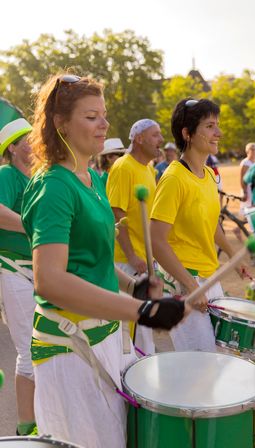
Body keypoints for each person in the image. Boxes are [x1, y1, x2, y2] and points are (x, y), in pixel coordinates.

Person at [21, 73, 186, 448]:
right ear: (60, 124)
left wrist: (133, 285)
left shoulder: (92, 178)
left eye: (104, 114)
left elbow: (90, 258)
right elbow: (50, 280)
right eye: (91, 116)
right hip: (70, 346)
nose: (105, 124)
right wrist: (139, 310)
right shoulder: (53, 186)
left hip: (104, 336)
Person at [150, 98, 244, 351]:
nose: (219, 133)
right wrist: (191, 285)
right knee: (201, 368)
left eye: (217, 125)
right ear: (187, 133)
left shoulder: (209, 176)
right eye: (210, 126)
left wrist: (236, 259)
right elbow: (156, 242)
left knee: (220, 359)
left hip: (209, 276)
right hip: (184, 281)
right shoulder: (173, 179)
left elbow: (211, 226)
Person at [107, 119, 164, 353]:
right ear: (139, 139)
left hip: (145, 259)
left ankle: (144, 376)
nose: (160, 140)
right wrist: (131, 255)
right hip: (126, 261)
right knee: (126, 332)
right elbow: (116, 212)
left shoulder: (149, 168)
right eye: (155, 135)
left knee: (144, 327)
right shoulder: (123, 167)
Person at [0, 118, 37, 436]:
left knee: (48, 345)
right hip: (12, 271)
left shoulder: (38, 179)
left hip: (39, 272)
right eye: (27, 139)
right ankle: (27, 426)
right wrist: (35, 226)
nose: (34, 142)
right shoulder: (7, 175)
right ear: (12, 148)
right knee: (29, 349)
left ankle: (43, 418)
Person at [240, 142, 255, 211]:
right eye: (252, 149)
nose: (254, 151)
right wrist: (245, 192)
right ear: (247, 151)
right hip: (248, 188)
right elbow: (242, 179)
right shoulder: (245, 162)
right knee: (248, 210)